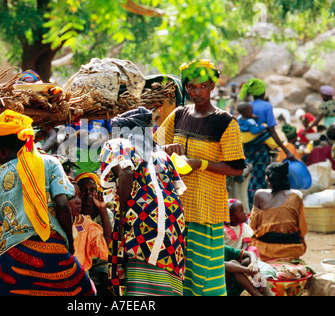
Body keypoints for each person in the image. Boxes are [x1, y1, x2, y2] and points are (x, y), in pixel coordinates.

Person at [0, 109, 95, 296]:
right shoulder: (50, 163)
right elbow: (62, 205)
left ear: (0, 150)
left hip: (12, 261)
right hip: (55, 254)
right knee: (87, 290)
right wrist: (67, 244)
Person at [154, 59, 246, 296]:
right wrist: (166, 149)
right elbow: (153, 146)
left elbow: (237, 168)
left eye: (202, 86)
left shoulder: (225, 122)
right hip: (177, 207)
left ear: (212, 87)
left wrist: (201, 164)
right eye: (192, 87)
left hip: (207, 208)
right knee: (181, 271)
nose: (196, 92)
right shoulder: (178, 114)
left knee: (203, 272)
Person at [100, 106, 187, 296]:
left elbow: (126, 171)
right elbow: (176, 188)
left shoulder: (118, 144)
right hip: (174, 221)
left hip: (143, 216)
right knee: (165, 271)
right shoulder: (161, 154)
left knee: (141, 274)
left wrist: (123, 211)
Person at [238, 78, 295, 210]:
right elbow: (272, 131)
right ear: (263, 93)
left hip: (247, 147)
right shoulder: (266, 106)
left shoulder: (246, 106)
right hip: (261, 148)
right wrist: (286, 151)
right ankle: (260, 210)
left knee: (250, 179)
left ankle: (251, 209)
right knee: (262, 178)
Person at [249, 161, 307, 261]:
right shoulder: (296, 195)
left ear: (267, 179)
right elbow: (302, 229)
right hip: (293, 249)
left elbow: (253, 225)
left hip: (265, 250)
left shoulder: (259, 194)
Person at [68, 178, 111, 295]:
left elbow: (107, 248)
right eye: (72, 196)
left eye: (78, 196)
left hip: (79, 285)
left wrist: (102, 209)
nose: (78, 201)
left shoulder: (84, 223)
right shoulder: (50, 225)